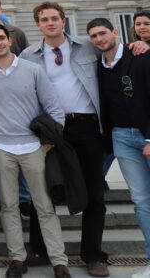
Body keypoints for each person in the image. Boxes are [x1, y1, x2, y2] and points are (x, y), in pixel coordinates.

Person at [20, 2, 108, 275]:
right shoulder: (28, 55)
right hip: (51, 128)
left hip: (86, 125)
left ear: (64, 20)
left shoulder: (87, 46)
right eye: (44, 19)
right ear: (38, 24)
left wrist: (141, 45)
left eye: (54, 18)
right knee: (42, 191)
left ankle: (93, 254)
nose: (50, 23)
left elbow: (114, 52)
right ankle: (39, 249)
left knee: (94, 192)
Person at [0, 22, 69, 278]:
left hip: (33, 148)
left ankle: (59, 261)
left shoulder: (33, 70)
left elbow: (55, 109)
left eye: (1, 38)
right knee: (8, 206)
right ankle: (17, 258)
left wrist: (47, 143)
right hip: (0, 147)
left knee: (44, 206)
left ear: (10, 40)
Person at [89, 17, 150, 278]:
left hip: (146, 135)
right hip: (121, 138)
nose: (99, 39)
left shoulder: (141, 56)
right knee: (141, 201)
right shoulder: (97, 66)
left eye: (103, 33)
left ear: (115, 32)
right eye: (93, 36)